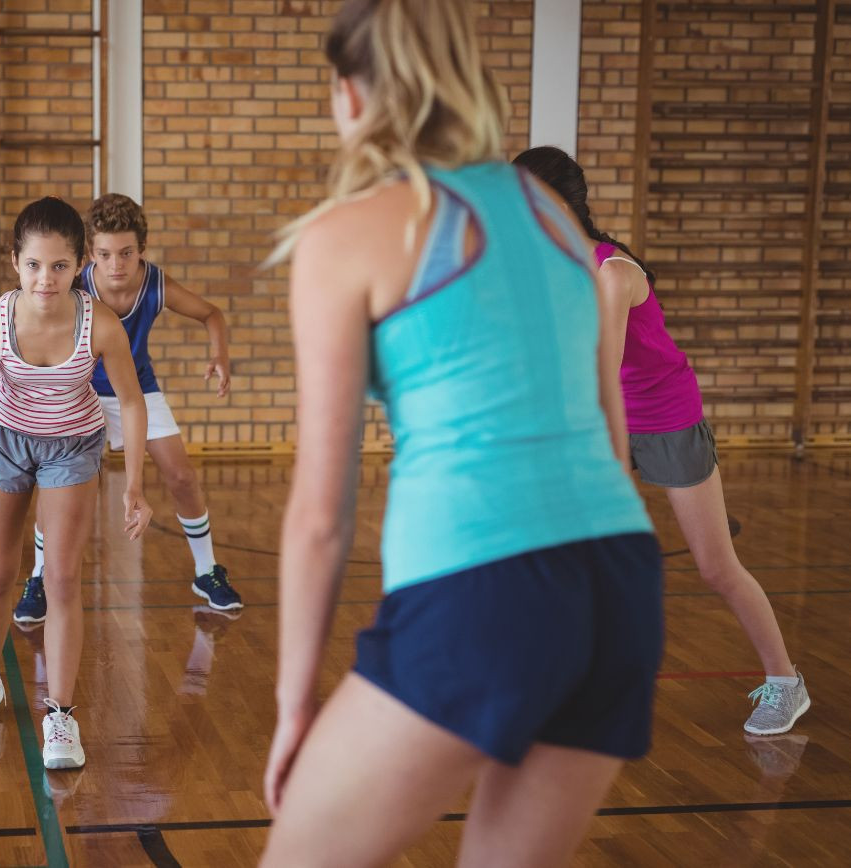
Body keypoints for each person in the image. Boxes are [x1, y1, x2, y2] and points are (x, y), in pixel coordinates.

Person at [260, 1, 663, 864]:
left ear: (349, 93)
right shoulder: (551, 214)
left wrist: (295, 706)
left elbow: (321, 515)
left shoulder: (348, 234)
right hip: (621, 582)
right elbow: (611, 436)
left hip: (484, 590)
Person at [513, 146, 810, 736]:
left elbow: (603, 374)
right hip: (607, 412)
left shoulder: (613, 274)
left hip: (664, 416)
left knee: (716, 567)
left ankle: (786, 682)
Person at [0, 197, 152, 770]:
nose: (45, 278)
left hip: (72, 444)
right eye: (33, 265)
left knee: (62, 578)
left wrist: (135, 484)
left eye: (59, 266)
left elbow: (131, 401)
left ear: (80, 266)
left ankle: (61, 714)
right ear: (14, 263)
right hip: (4, 439)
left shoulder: (100, 323)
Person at [13, 193, 242, 624]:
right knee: (54, 488)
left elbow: (211, 314)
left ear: (142, 250)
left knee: (182, 475)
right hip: (79, 389)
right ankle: (40, 575)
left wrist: (220, 355)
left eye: (126, 253)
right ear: (88, 254)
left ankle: (207, 570)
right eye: (104, 254)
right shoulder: (73, 284)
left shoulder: (155, 284)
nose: (115, 264)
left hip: (136, 389)